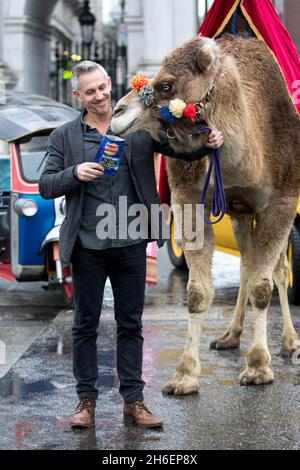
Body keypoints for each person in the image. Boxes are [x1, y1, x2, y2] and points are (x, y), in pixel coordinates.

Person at [39, 61, 224, 429]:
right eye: (89, 91)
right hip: (88, 245)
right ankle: (86, 403)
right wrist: (75, 173)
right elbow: (46, 184)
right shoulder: (65, 136)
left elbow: (182, 150)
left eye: (102, 87)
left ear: (110, 84)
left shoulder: (139, 126)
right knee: (85, 326)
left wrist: (208, 142)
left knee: (131, 324)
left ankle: (134, 402)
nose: (99, 95)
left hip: (132, 241)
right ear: (78, 95)